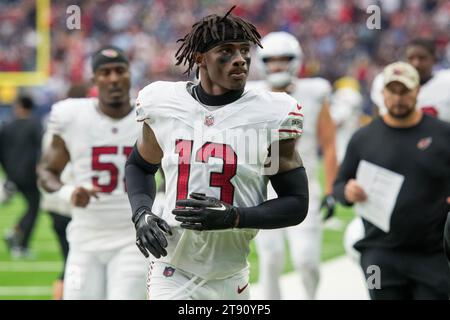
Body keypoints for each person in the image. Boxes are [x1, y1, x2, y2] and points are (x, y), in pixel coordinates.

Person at [125, 6, 309, 300]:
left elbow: (296, 203)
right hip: (173, 269)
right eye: (226, 50)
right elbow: (139, 166)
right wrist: (141, 213)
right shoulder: (163, 103)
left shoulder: (272, 113)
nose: (240, 60)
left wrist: (235, 217)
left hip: (232, 274)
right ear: (200, 57)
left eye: (244, 50)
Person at [334, 61, 450, 300]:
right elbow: (338, 186)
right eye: (392, 91)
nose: (398, 98)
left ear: (418, 91)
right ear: (382, 93)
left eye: (404, 91)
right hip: (380, 253)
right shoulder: (363, 138)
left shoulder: (443, 134)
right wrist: (347, 191)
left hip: (433, 253)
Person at [38, 46, 147, 300]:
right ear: (94, 79)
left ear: (130, 75)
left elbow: (168, 175)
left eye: (120, 70)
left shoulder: (147, 118)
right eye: (105, 72)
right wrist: (69, 192)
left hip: (132, 240)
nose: (113, 78)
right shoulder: (72, 115)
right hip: (84, 239)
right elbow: (46, 170)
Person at [247, 31, 338, 300]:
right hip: (264, 187)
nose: (277, 65)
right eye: (271, 60)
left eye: (284, 59)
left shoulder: (314, 92)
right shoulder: (251, 96)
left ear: (295, 61)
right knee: (271, 258)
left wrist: (331, 189)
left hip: (304, 184)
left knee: (306, 259)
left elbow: (329, 143)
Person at [40, 82, 90, 300]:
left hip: (54, 201)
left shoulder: (52, 129)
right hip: (72, 202)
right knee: (76, 263)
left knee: (72, 261)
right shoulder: (80, 127)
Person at [1, 96, 43, 258]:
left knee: (32, 207)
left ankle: (17, 234)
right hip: (29, 174)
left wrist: (8, 173)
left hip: (13, 174)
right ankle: (20, 241)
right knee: (34, 208)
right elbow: (41, 149)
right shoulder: (35, 124)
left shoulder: (8, 125)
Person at [371, 38, 450, 122]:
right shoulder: (385, 81)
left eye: (422, 58)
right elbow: (377, 121)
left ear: (434, 59)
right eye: (411, 58)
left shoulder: (446, 83)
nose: (416, 63)